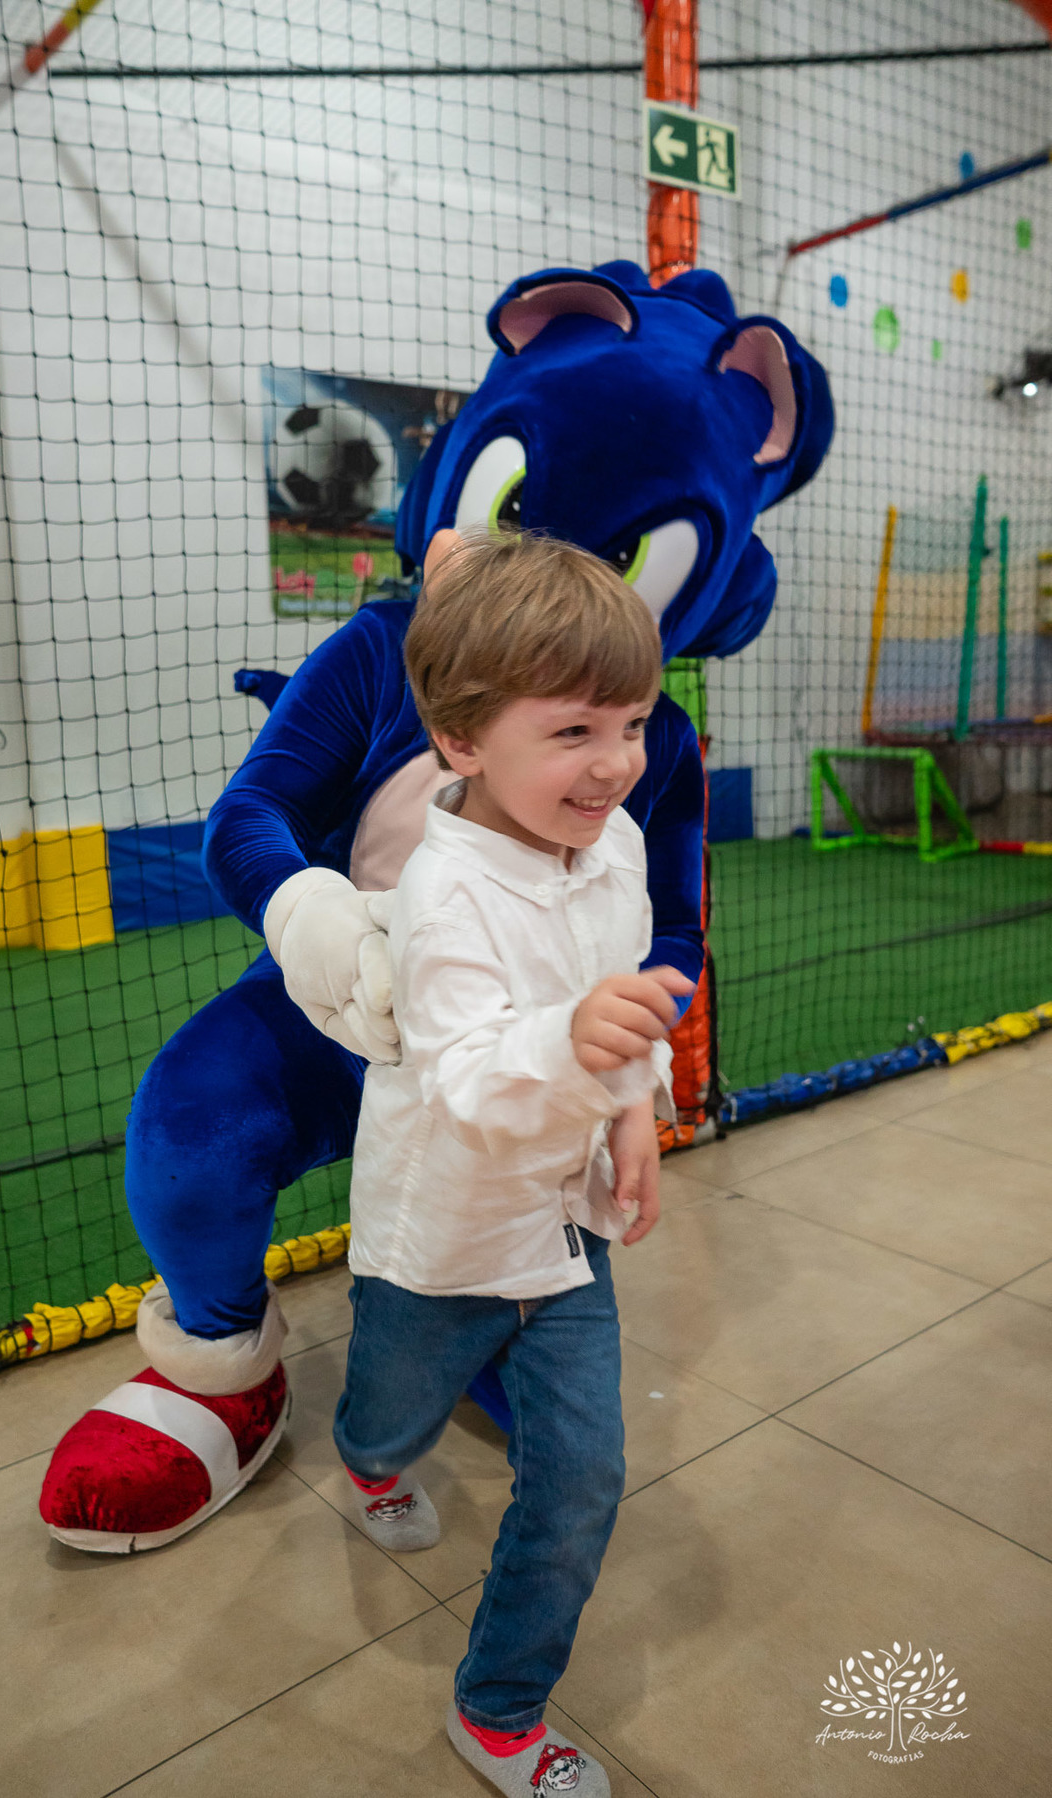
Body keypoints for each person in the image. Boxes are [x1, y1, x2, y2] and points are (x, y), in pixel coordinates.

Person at [332, 530, 698, 1797]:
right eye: (577, 732)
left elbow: (635, 1007)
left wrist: (634, 1106)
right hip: (440, 1237)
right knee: (393, 1412)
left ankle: (498, 1709)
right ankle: (368, 1459)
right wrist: (570, 1038)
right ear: (462, 741)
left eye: (636, 724)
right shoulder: (443, 891)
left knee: (584, 1472)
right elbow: (472, 1077)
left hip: (565, 1236)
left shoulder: (622, 848)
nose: (617, 765)